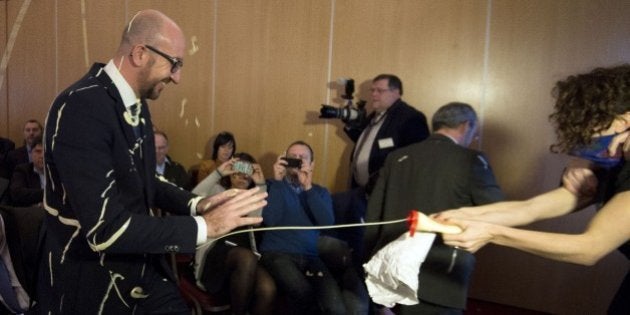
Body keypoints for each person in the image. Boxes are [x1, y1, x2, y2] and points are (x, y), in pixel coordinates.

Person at [38, 9, 267, 314]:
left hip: (139, 266)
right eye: (175, 64)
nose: (177, 77)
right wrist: (204, 226)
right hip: (91, 281)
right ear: (140, 53)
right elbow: (106, 230)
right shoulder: (81, 107)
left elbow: (146, 179)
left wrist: (198, 204)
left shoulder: (137, 105)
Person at [436, 64, 630, 315]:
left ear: (625, 120)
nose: (589, 137)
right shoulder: (611, 161)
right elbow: (532, 208)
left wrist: (492, 233)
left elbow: (590, 248)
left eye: (593, 123)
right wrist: (465, 215)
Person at [364, 102, 505, 314]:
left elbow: (374, 215)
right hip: (440, 274)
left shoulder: (397, 157)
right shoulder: (471, 160)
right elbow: (497, 211)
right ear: (466, 126)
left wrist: (371, 267)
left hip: (391, 268)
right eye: (473, 132)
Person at [259, 141, 346, 315]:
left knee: (336, 306)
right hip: (277, 254)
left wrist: (308, 188)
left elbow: (327, 223)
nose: (297, 161)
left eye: (302, 158)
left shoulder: (319, 192)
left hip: (310, 257)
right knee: (303, 293)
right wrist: (278, 182)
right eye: (292, 157)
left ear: (311, 164)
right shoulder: (271, 185)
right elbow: (270, 220)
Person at [193, 152, 276, 315]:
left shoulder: (253, 196)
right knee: (246, 257)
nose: (242, 176)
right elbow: (193, 197)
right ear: (231, 173)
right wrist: (218, 173)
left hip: (245, 258)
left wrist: (260, 185)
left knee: (268, 289)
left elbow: (256, 220)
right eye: (238, 170)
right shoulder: (218, 190)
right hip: (215, 252)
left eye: (247, 172)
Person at [344, 74, 429, 189]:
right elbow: (369, 143)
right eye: (373, 90)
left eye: (380, 90)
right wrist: (349, 125)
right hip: (361, 190)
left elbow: (415, 160)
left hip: (386, 192)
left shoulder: (411, 117)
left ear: (396, 92)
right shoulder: (375, 115)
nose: (374, 94)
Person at [9, 136, 44, 207]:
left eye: (46, 152)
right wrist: (48, 193)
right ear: (31, 154)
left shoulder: (57, 171)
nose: (42, 156)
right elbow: (17, 193)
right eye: (38, 151)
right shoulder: (22, 170)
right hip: (32, 213)